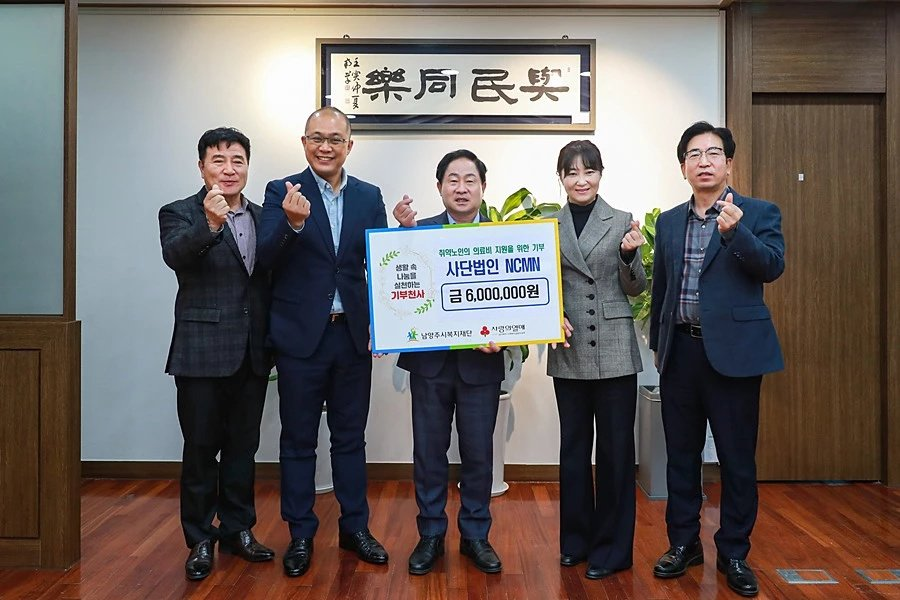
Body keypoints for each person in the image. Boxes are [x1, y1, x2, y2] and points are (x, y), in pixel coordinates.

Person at [649, 122, 785, 598]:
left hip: (735, 356)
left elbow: (772, 266)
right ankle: (683, 543)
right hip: (681, 353)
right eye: (693, 154)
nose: (703, 162)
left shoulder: (758, 212)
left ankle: (734, 552)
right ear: (682, 166)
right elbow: (662, 287)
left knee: (736, 459)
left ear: (729, 163)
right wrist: (659, 344)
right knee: (681, 456)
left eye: (712, 153)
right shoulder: (670, 221)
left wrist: (736, 233)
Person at [257, 107, 388, 578]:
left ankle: (355, 528)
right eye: (316, 138)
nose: (325, 146)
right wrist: (292, 225)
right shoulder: (282, 192)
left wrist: (384, 324)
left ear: (349, 145)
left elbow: (381, 264)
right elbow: (263, 259)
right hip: (300, 338)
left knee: (350, 438)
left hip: (350, 335)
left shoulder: (369, 196)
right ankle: (300, 533)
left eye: (335, 139)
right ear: (304, 143)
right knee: (298, 440)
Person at [159, 127, 274, 581]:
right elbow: (175, 256)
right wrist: (209, 223)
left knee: (243, 449)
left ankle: (238, 529)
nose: (229, 169)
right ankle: (200, 538)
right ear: (201, 166)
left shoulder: (264, 216)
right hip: (201, 351)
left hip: (252, 352)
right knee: (201, 450)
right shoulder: (180, 212)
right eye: (218, 160)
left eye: (237, 160)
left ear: (248, 166)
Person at [392, 149, 505, 575]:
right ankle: (431, 534)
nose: (461, 188)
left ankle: (476, 536)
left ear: (483, 187)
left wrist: (506, 336)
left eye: (469, 180)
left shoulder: (502, 237)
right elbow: (394, 286)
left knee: (478, 454)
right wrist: (400, 237)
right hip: (430, 365)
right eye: (452, 180)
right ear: (439, 187)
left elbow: (515, 302)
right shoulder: (415, 233)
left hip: (481, 365)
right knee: (428, 453)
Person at [546, 140, 646, 580]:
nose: (581, 180)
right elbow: (537, 284)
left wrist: (628, 256)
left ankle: (613, 549)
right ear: (561, 178)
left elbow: (636, 288)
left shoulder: (622, 220)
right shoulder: (548, 225)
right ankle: (575, 542)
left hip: (614, 348)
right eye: (571, 172)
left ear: (601, 174)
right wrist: (550, 316)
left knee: (616, 452)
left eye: (588, 171)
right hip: (568, 347)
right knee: (572, 451)